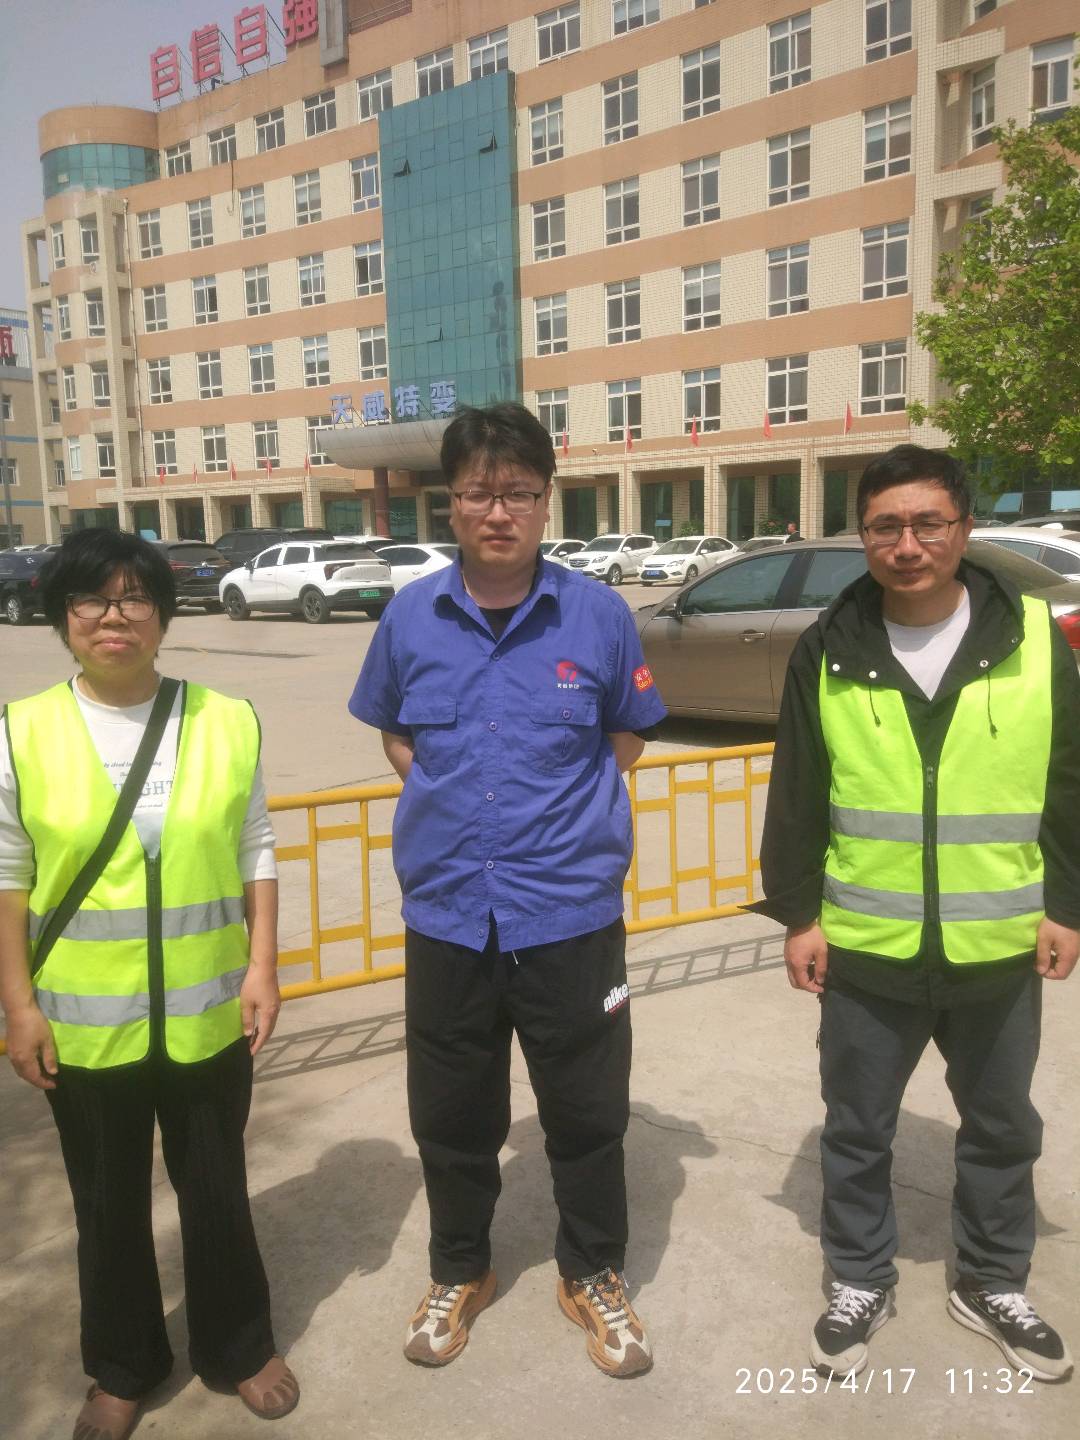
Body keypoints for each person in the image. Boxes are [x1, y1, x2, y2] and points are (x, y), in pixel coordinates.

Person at [348, 402, 666, 1378]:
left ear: (546, 500)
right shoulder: (410, 616)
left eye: (519, 492)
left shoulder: (599, 616)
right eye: (479, 493)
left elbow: (626, 735)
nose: (499, 511)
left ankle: (593, 1270)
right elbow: (397, 733)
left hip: (569, 912)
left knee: (587, 1111)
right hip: (449, 912)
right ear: (450, 502)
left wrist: (557, 815)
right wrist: (455, 803)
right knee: (451, 1115)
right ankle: (461, 1269)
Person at [755, 445, 1080, 1382]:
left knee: (1002, 1126)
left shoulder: (1033, 638)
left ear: (964, 528)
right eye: (886, 526)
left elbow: (1069, 782)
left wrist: (1068, 903)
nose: (908, 545)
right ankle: (860, 1277)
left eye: (928, 523)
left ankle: (991, 1279)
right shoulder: (829, 648)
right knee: (858, 1128)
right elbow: (798, 793)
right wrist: (800, 916)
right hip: (867, 945)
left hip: (998, 945)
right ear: (863, 536)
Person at [0, 532, 299, 1440]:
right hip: (84, 1023)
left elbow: (255, 845)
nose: (113, 617)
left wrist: (263, 965)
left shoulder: (226, 717)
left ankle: (239, 1346)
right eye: (90, 600)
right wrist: (18, 1008)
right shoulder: (21, 730)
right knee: (106, 1203)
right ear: (62, 619)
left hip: (210, 1011)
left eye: (134, 597)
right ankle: (124, 1365)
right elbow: (8, 875)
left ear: (163, 615)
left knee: (216, 1187)